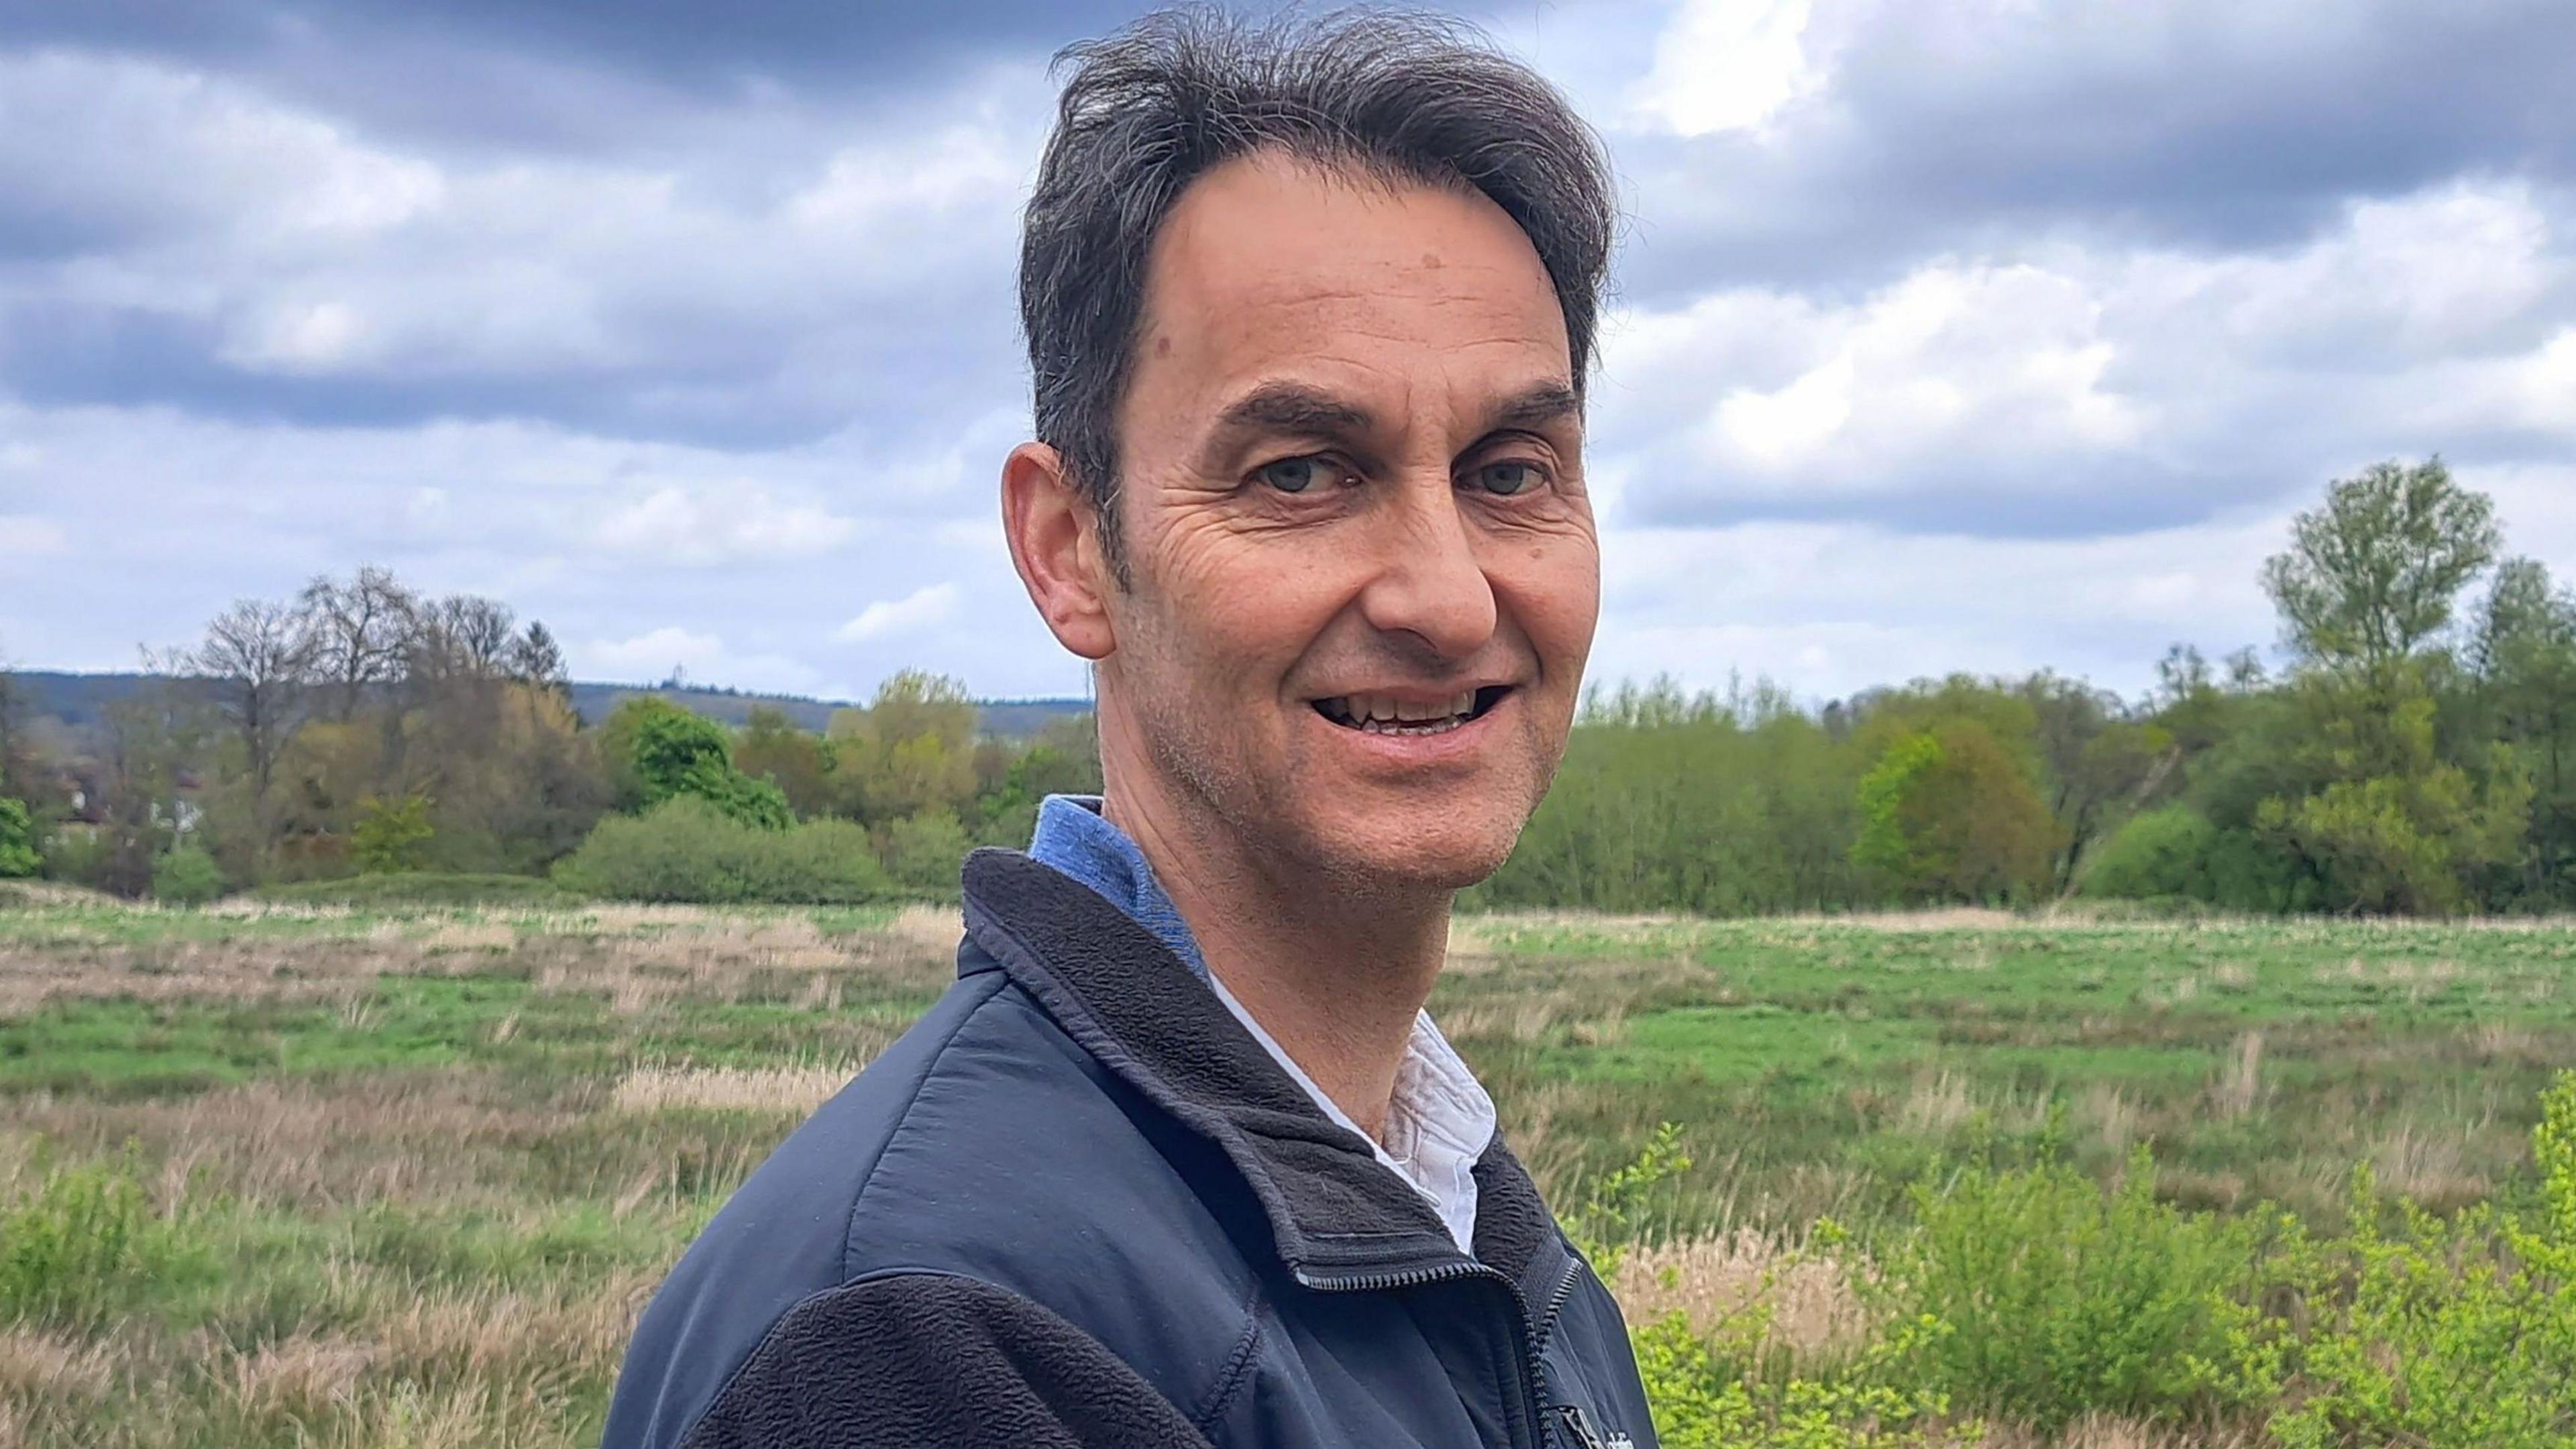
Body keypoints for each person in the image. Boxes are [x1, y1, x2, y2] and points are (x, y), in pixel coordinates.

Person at [602, 9, 1650, 1447]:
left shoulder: (1467, 1233)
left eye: (1511, 470)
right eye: (1300, 474)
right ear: (1071, 549)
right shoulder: (935, 1339)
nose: (1448, 597)